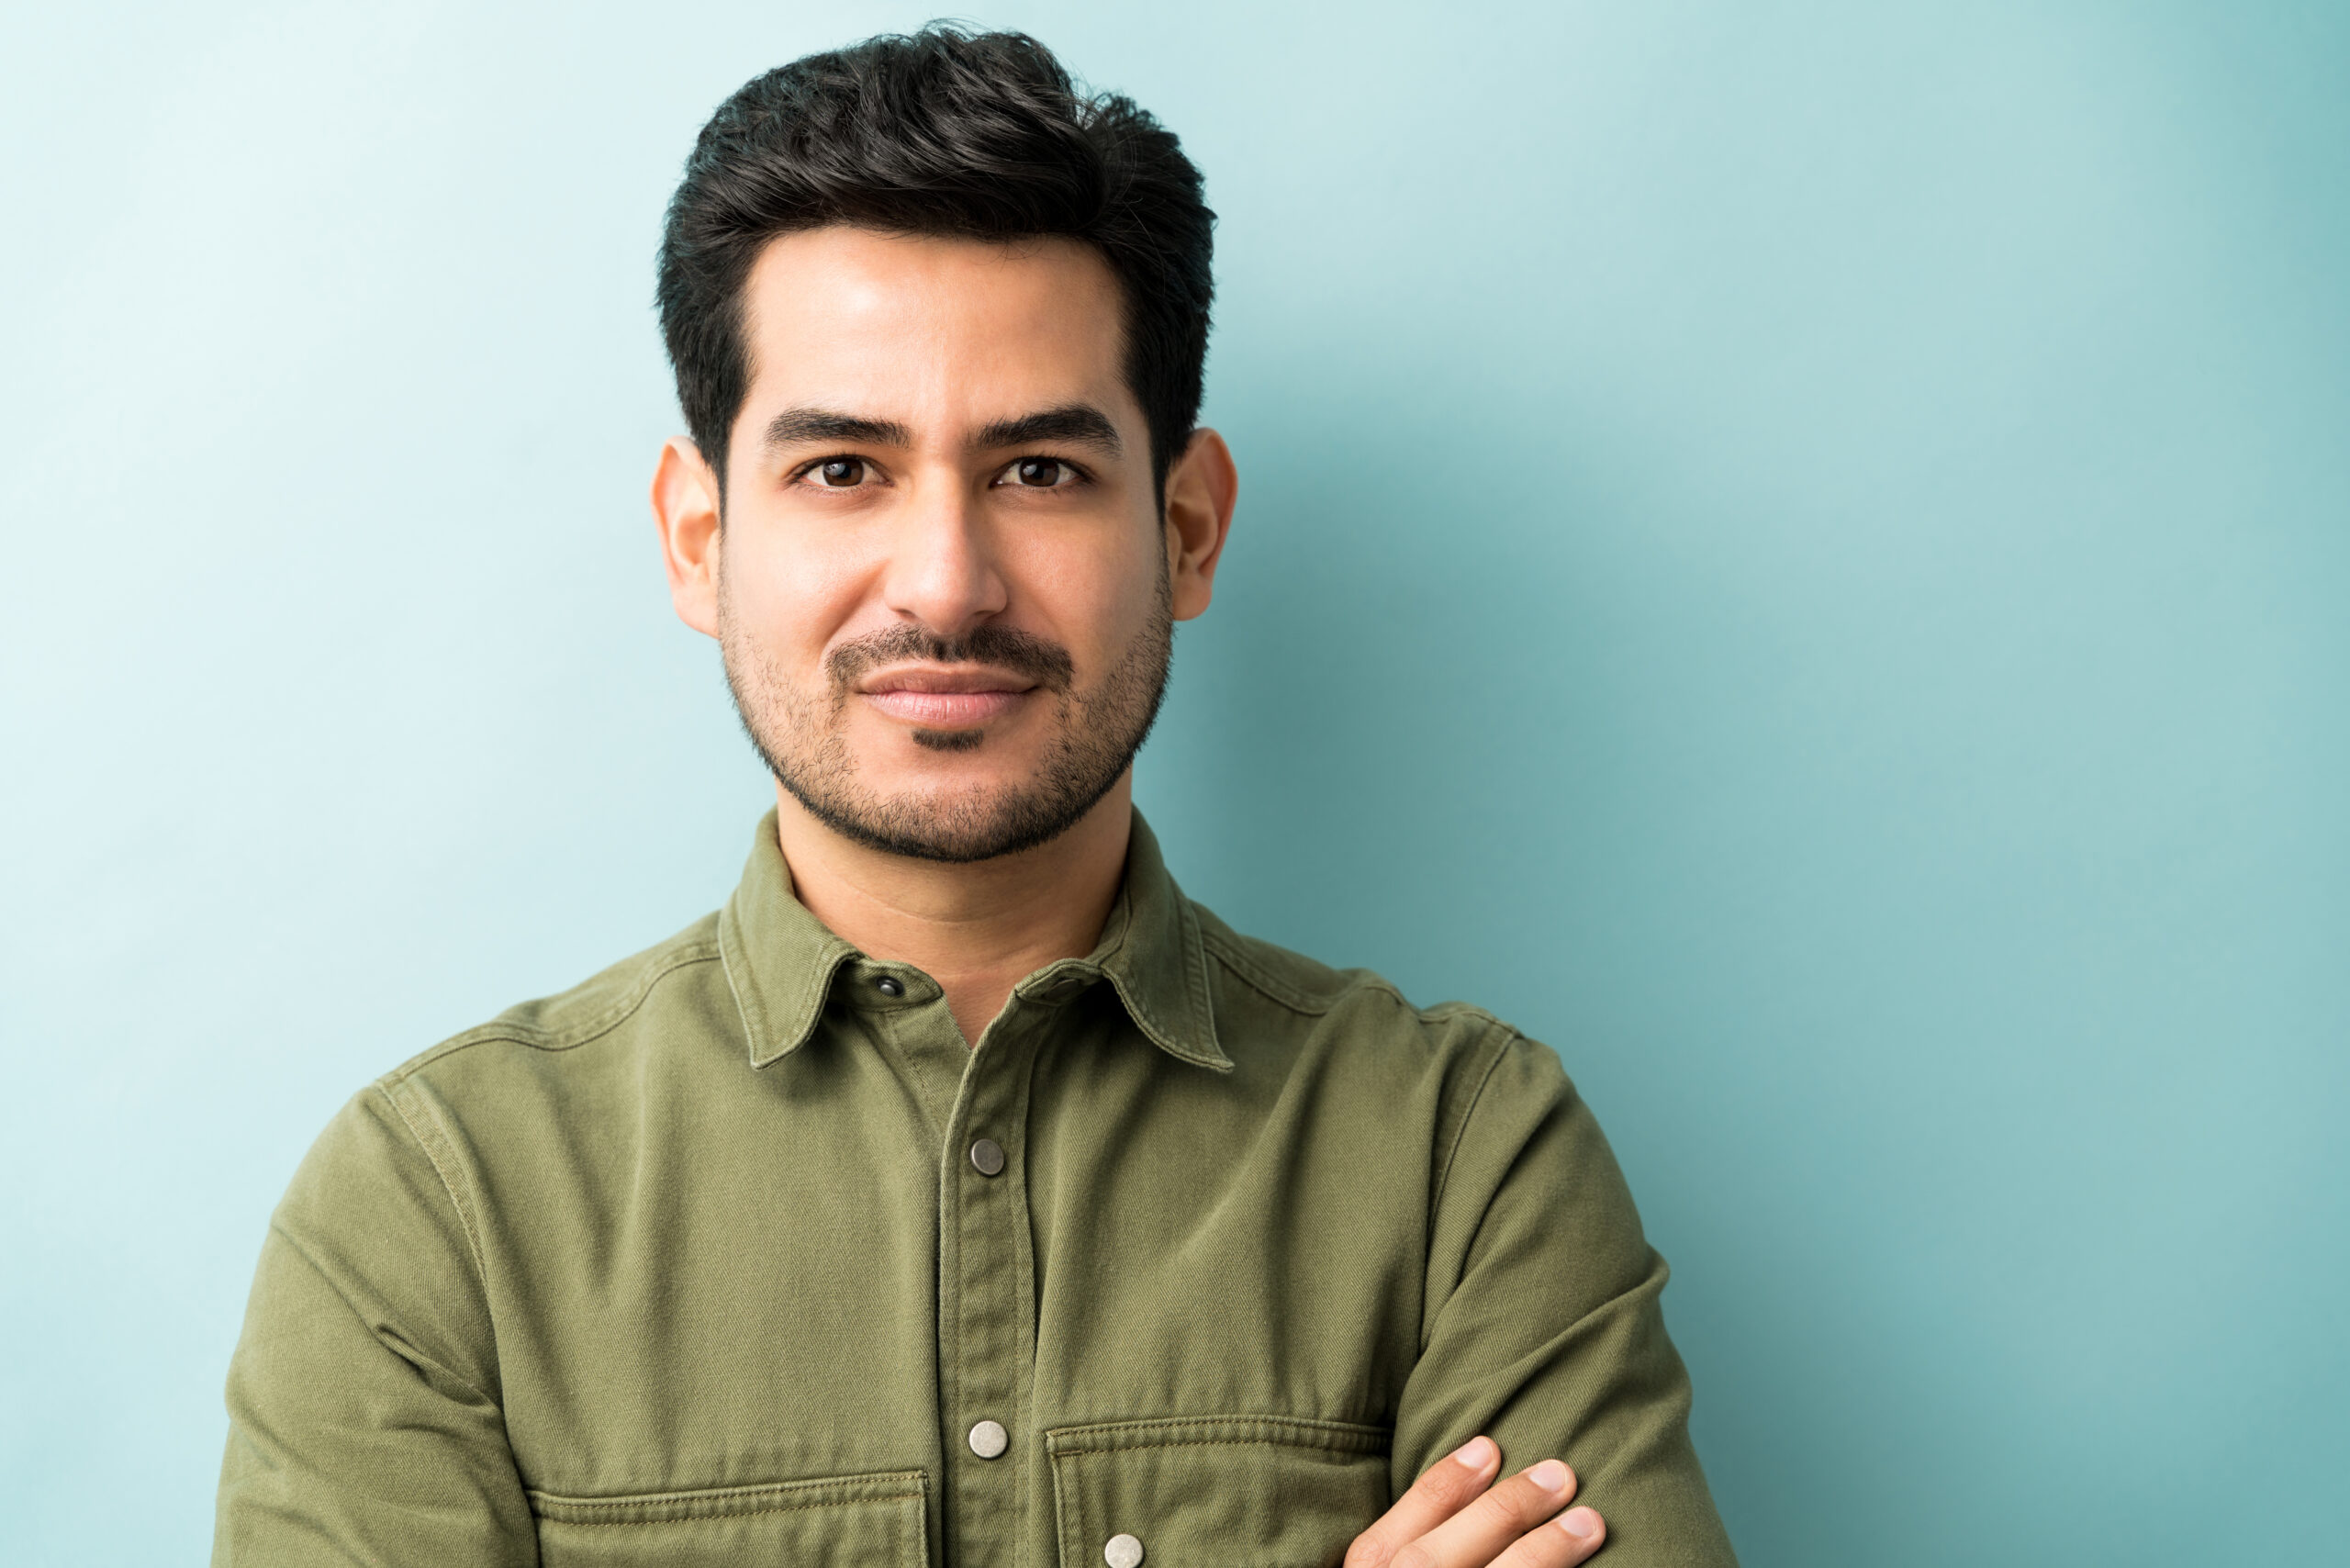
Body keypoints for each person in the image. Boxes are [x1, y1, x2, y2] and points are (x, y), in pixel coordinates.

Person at [212, 26, 1737, 1568]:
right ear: (698, 539)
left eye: (1038, 472)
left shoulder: (1463, 1155)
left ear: (1188, 529)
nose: (945, 584)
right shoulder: (437, 1210)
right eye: (841, 470)